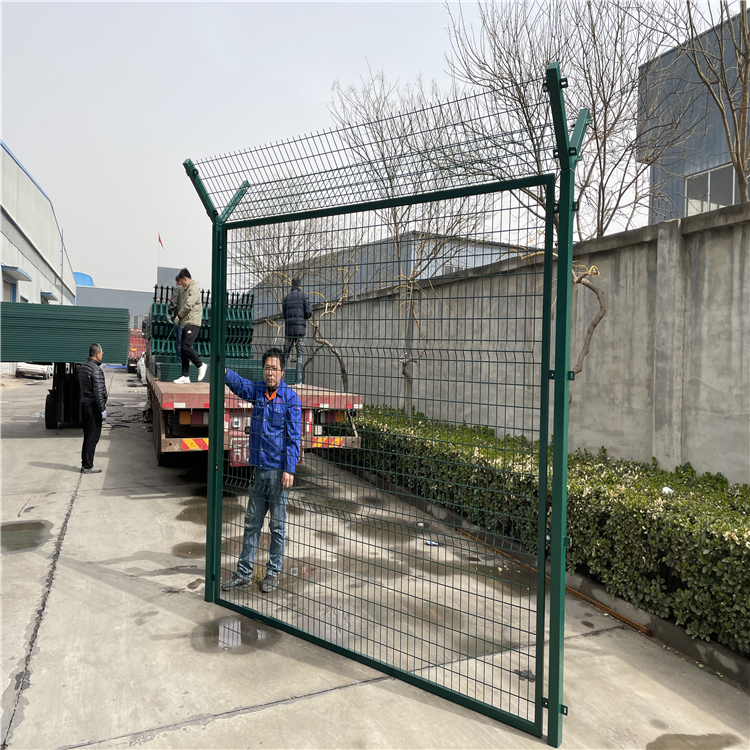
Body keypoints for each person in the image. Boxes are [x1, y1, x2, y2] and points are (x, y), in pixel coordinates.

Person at [221, 347, 302, 594]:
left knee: (277, 527)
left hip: (279, 475)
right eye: (267, 368)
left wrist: (289, 470)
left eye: (274, 369)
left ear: (282, 371)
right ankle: (243, 573)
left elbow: (294, 438)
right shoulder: (258, 391)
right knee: (251, 524)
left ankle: (273, 573)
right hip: (259, 472)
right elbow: (240, 385)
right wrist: (224, 371)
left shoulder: (290, 399)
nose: (270, 373)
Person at [173, 268, 207, 384]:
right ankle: (185, 375)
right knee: (183, 350)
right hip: (186, 323)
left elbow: (188, 305)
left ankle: (200, 365)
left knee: (185, 346)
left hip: (192, 322)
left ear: (185, 279)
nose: (181, 285)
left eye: (181, 282)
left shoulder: (193, 289)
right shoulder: (186, 289)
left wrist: (179, 316)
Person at [79, 343, 108, 474]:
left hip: (84, 405)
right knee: (93, 437)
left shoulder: (84, 367)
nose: (102, 355)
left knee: (87, 436)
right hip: (93, 407)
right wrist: (102, 409)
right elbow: (98, 392)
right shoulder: (96, 370)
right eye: (102, 353)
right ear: (97, 354)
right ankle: (88, 466)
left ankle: (85, 463)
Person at [281, 278, 312, 386]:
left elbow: (284, 315)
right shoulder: (304, 296)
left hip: (289, 332)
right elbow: (308, 313)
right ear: (299, 286)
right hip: (300, 332)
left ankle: (281, 381)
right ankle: (298, 382)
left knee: (285, 355)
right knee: (300, 355)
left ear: (292, 286)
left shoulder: (286, 298)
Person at [167, 275, 182, 366]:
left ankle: (179, 364)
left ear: (177, 282)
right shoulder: (190, 290)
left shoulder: (177, 289)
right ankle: (188, 362)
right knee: (187, 344)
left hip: (180, 320)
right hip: (190, 321)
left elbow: (173, 302)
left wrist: (169, 313)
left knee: (179, 343)